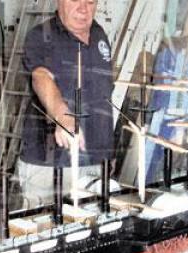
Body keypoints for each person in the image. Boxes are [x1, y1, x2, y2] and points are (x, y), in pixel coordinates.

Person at [19, 0, 114, 207]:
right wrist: (63, 116)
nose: (83, 8)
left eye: (90, 1)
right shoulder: (41, 35)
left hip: (95, 162)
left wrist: (107, 154)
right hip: (49, 165)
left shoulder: (99, 34)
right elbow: (41, 77)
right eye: (75, 0)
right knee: (44, 232)